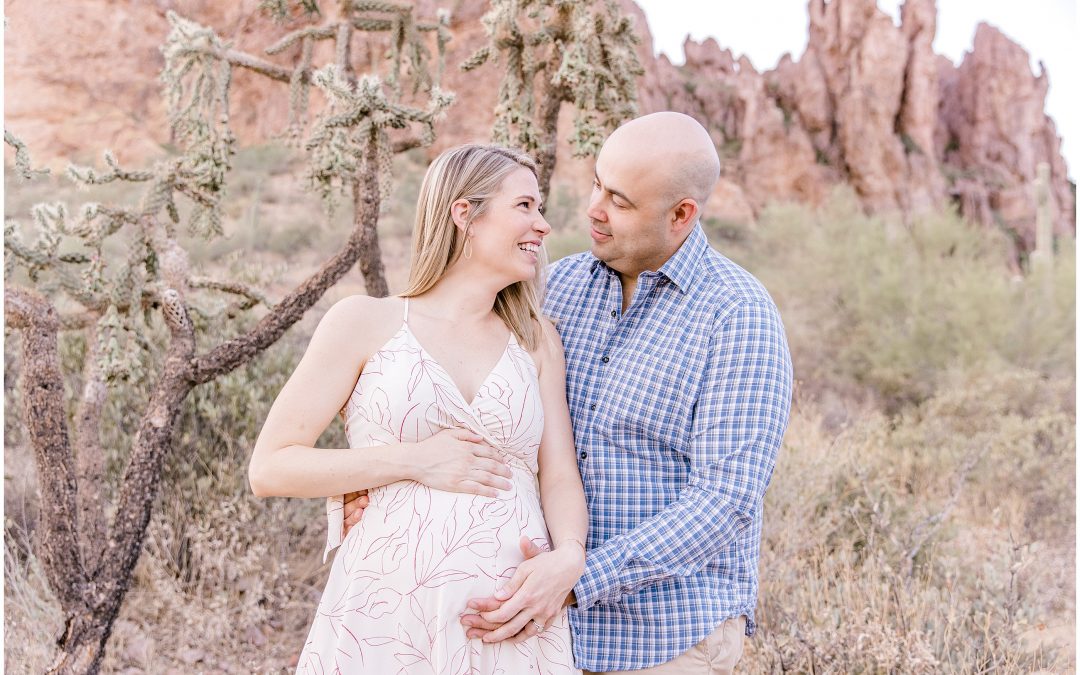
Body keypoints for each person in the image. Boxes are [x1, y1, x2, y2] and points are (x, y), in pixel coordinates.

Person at [344, 112, 793, 673]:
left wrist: (578, 577)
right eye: (598, 182)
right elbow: (476, 404)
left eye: (620, 201)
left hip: (666, 636)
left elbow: (725, 502)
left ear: (681, 215)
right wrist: (381, 485)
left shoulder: (737, 316)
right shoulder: (552, 289)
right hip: (534, 629)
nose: (593, 209)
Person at [249, 144, 588, 674]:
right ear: (464, 214)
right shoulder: (364, 322)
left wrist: (568, 558)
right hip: (386, 612)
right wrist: (412, 460)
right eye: (524, 205)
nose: (542, 225)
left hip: (507, 618)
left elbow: (560, 476)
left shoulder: (536, 338)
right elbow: (270, 467)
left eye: (540, 208)